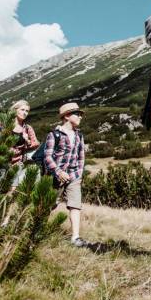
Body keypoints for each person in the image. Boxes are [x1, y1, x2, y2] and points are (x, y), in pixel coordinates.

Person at [44, 102, 88, 247]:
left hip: (74, 175)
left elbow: (81, 156)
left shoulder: (79, 135)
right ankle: (37, 230)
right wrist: (58, 171)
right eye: (77, 114)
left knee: (75, 205)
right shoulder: (54, 134)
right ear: (67, 116)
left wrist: (79, 173)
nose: (81, 116)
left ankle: (75, 237)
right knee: (48, 205)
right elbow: (48, 156)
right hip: (56, 176)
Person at [0, 99, 40, 194]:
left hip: (17, 163)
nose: (25, 113)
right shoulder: (2, 124)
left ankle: (8, 208)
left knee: (12, 191)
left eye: (27, 111)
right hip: (1, 161)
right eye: (22, 110)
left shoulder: (27, 128)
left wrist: (27, 141)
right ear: (15, 110)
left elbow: (36, 143)